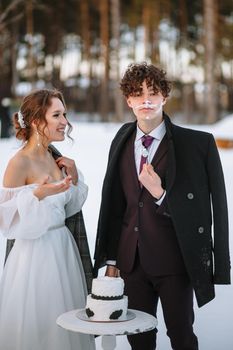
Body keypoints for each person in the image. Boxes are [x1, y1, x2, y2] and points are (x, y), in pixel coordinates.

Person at [93, 62, 231, 350]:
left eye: (153, 92)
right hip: (132, 263)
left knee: (181, 336)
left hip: (175, 261)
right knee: (139, 340)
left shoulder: (197, 144)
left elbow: (214, 207)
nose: (146, 100)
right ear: (128, 100)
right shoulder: (121, 139)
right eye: (137, 93)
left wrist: (160, 194)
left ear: (165, 97)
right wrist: (113, 260)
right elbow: (115, 204)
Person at [0, 89, 95, 350]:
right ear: (36, 121)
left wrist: (73, 177)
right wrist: (37, 195)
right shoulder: (19, 162)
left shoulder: (53, 157)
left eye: (64, 114)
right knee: (41, 328)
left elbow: (68, 208)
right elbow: (6, 221)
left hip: (64, 252)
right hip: (35, 259)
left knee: (67, 327)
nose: (65, 121)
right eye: (57, 115)